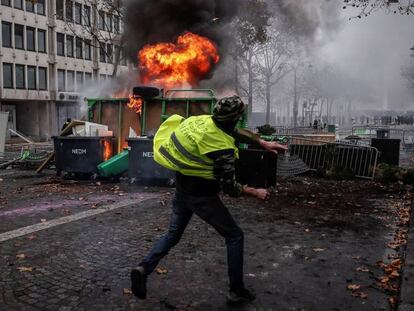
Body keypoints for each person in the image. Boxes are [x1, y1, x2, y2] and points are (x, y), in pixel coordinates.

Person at [130, 96, 288, 304]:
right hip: (203, 197)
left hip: (182, 190)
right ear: (236, 118)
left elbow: (234, 131)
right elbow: (229, 187)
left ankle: (143, 268)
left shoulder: (203, 121)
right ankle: (236, 290)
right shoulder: (222, 149)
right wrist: (254, 192)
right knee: (234, 236)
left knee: (172, 235)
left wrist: (261, 142)